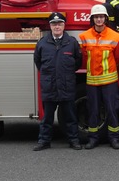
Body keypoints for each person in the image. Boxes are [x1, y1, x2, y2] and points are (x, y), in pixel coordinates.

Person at [33, 12, 83, 151]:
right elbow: (38, 62)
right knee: (47, 118)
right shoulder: (42, 43)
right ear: (50, 26)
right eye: (54, 24)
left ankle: (74, 141)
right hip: (50, 86)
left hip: (67, 86)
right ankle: (44, 141)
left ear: (64, 25)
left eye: (59, 23)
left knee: (70, 117)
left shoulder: (71, 42)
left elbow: (77, 63)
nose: (57, 26)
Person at [79, 4, 119, 150]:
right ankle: (93, 138)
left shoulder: (115, 36)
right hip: (92, 81)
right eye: (96, 17)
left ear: (105, 18)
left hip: (109, 81)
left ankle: (114, 138)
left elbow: (118, 58)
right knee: (93, 110)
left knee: (112, 110)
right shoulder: (84, 37)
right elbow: (85, 56)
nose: (99, 19)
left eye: (101, 17)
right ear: (93, 19)